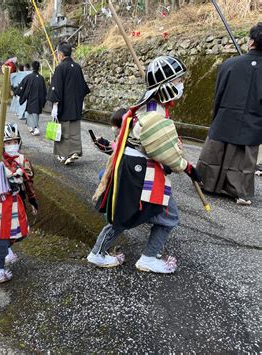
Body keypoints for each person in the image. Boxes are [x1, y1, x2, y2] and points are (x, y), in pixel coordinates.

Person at [89, 56, 202, 274]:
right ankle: (148, 258)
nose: (181, 85)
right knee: (165, 216)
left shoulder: (148, 108)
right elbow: (165, 153)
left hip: (135, 169)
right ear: (166, 85)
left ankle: (100, 252)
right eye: (178, 81)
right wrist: (188, 168)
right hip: (141, 172)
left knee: (127, 214)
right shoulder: (152, 115)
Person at [197, 23, 262, 206]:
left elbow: (219, 93)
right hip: (254, 121)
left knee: (215, 152)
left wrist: (216, 115)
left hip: (225, 115)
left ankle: (207, 183)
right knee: (243, 160)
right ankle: (240, 192)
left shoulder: (230, 64)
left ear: (251, 42)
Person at [0, 123, 38, 283]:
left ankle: (4, 249)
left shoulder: (23, 160)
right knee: (1, 237)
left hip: (16, 202)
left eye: (14, 141)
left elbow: (28, 181)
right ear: (0, 144)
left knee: (18, 234)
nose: (12, 145)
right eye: (8, 142)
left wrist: (32, 200)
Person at [49, 42, 90, 166]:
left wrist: (55, 105)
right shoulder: (77, 67)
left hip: (64, 106)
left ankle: (63, 155)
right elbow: (83, 87)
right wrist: (81, 102)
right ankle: (75, 151)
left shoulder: (61, 67)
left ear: (61, 54)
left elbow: (56, 88)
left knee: (62, 131)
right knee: (74, 130)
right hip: (76, 106)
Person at [18, 61, 47, 135]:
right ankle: (31, 127)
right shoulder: (41, 78)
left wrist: (17, 91)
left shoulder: (29, 77)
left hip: (31, 97)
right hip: (39, 98)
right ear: (39, 68)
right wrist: (44, 99)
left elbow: (22, 86)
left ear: (32, 67)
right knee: (32, 112)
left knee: (33, 112)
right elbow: (45, 90)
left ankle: (36, 127)